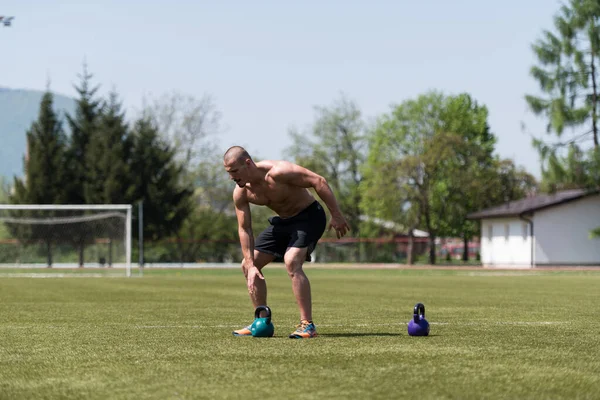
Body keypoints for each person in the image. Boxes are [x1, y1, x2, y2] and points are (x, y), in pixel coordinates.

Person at [223, 146, 350, 338]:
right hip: (283, 222)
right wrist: (250, 264)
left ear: (247, 163)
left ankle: (307, 324)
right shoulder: (241, 192)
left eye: (234, 171)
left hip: (309, 217)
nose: (232, 177)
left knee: (291, 261)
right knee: (248, 265)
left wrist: (337, 214)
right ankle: (261, 320)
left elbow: (318, 181)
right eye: (228, 173)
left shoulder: (279, 172)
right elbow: (245, 228)